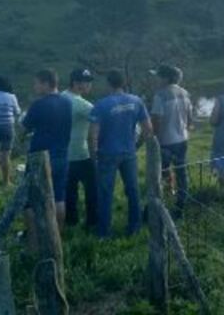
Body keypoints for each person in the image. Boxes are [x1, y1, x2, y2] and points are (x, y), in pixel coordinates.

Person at [90, 70, 152, 238]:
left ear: (108, 83)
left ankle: (104, 232)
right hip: (129, 152)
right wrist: (137, 145)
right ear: (124, 83)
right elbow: (148, 129)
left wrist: (93, 154)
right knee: (133, 191)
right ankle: (135, 227)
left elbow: (93, 134)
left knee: (105, 193)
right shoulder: (136, 101)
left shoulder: (101, 104)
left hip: (107, 153)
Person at [22, 69, 73, 226]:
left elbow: (24, 129)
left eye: (36, 84)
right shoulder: (67, 102)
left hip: (40, 158)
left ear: (46, 84)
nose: (35, 87)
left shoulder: (39, 104)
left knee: (30, 200)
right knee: (58, 198)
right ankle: (58, 237)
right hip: (62, 156)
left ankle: (33, 242)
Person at [151, 65, 193, 214]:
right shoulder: (185, 93)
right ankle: (181, 204)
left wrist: (153, 138)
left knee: (161, 172)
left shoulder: (160, 95)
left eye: (158, 76)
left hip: (165, 141)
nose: (156, 79)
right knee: (181, 172)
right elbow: (189, 119)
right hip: (182, 139)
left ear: (166, 78)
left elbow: (156, 119)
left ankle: (165, 200)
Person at [62, 68, 96, 229]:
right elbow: (100, 119)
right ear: (76, 83)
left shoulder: (61, 97)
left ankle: (71, 221)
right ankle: (92, 221)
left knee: (69, 191)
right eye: (87, 82)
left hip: (64, 153)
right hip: (81, 153)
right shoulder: (82, 104)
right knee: (92, 189)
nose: (90, 85)